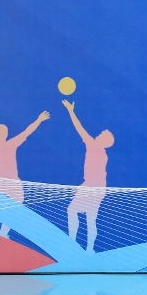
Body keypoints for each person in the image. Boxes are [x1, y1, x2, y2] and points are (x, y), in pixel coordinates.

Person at [62, 100, 113, 254]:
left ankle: (72, 244)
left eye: (101, 134)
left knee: (72, 210)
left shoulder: (94, 145)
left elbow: (80, 128)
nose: (98, 134)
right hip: (97, 187)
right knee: (90, 218)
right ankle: (89, 249)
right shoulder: (102, 152)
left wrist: (71, 111)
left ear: (103, 140)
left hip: (92, 186)